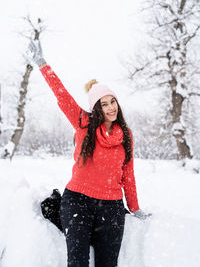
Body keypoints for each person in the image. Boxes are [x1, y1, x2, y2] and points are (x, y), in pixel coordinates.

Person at [27, 40, 151, 267]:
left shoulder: (126, 135)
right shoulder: (84, 123)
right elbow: (62, 95)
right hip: (78, 201)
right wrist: (43, 65)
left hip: (112, 207)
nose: (111, 107)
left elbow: (128, 173)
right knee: (78, 262)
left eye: (113, 101)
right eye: (104, 104)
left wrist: (134, 208)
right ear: (96, 108)